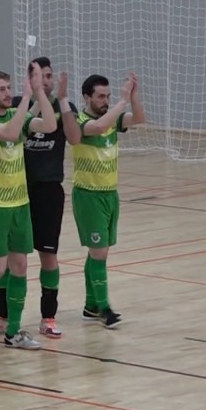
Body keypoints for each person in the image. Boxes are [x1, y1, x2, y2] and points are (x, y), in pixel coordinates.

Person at [0, 57, 81, 339]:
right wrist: (34, 95)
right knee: (9, 258)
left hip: (48, 191)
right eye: (41, 76)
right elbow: (19, 129)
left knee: (48, 255)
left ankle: (48, 317)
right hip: (17, 191)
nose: (46, 81)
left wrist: (61, 99)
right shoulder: (16, 106)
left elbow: (74, 138)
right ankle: (1, 317)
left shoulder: (63, 107)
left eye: (49, 76)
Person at [0, 64, 57, 351]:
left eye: (9, 88)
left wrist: (39, 91)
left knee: (20, 266)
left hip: (19, 204)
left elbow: (50, 125)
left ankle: (13, 331)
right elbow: (11, 132)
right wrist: (27, 98)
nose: (7, 93)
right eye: (1, 89)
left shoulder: (19, 114)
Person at [72, 72, 145, 328]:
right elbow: (99, 127)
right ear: (86, 97)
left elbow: (139, 118)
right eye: (100, 96)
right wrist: (121, 102)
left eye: (108, 96)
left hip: (110, 194)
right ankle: (104, 309)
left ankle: (90, 306)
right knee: (99, 252)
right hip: (88, 194)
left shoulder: (112, 118)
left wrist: (132, 98)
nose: (105, 100)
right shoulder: (79, 121)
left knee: (98, 252)